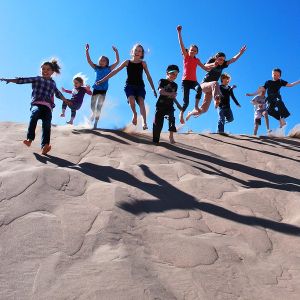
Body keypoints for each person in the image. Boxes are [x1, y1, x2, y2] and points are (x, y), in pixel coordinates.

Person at [0, 59, 71, 154]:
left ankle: (45, 146)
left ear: (52, 72)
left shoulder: (53, 83)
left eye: (48, 69)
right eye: (43, 69)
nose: (45, 71)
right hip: (36, 104)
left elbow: (58, 93)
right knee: (34, 114)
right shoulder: (37, 79)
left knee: (47, 125)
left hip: (47, 107)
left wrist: (65, 100)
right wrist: (10, 80)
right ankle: (29, 139)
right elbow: (23, 80)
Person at [96, 43, 157, 130]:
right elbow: (115, 71)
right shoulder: (127, 62)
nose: (137, 52)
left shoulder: (143, 63)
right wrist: (103, 80)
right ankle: (134, 113)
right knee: (131, 100)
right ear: (132, 51)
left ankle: (144, 123)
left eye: (139, 51)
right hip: (129, 86)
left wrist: (153, 89)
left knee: (141, 102)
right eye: (135, 50)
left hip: (140, 86)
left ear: (142, 54)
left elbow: (148, 76)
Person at [186, 45, 247, 121]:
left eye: (223, 60)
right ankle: (216, 99)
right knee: (215, 83)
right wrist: (213, 64)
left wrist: (240, 53)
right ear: (216, 58)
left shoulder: (223, 64)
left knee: (204, 109)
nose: (222, 61)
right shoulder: (212, 61)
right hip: (204, 85)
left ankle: (190, 113)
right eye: (220, 59)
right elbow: (205, 66)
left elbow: (233, 60)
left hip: (211, 90)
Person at [176, 25, 209, 124]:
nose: (193, 51)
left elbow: (205, 68)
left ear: (197, 52)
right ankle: (181, 113)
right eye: (191, 50)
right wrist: (179, 32)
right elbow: (181, 44)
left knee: (199, 89)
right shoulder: (186, 57)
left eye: (195, 50)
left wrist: (214, 66)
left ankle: (196, 106)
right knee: (186, 102)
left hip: (193, 81)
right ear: (188, 50)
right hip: (185, 82)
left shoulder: (197, 60)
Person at [85, 43, 119, 129]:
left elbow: (117, 62)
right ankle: (93, 114)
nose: (101, 61)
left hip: (103, 90)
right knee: (92, 105)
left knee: (99, 106)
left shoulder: (109, 69)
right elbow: (89, 61)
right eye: (100, 60)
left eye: (103, 60)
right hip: (96, 88)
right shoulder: (97, 68)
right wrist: (87, 51)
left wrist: (116, 52)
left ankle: (95, 122)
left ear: (107, 62)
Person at [153, 65, 182, 144]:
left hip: (169, 106)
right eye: (173, 74)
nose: (174, 76)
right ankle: (156, 140)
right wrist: (171, 93)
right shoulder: (162, 81)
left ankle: (171, 136)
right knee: (158, 125)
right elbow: (161, 91)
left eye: (176, 75)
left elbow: (173, 97)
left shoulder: (175, 85)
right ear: (167, 73)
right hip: (160, 105)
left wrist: (179, 106)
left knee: (172, 119)